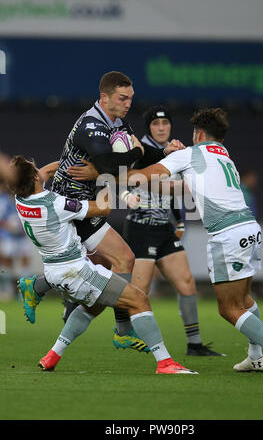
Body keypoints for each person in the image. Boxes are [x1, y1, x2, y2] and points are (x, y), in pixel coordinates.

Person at [18, 71, 183, 355]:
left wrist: (164, 151)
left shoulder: (117, 120)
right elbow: (110, 165)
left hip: (88, 202)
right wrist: (127, 155)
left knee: (108, 270)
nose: (129, 103)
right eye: (123, 98)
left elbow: (137, 154)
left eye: (131, 98)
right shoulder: (91, 125)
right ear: (104, 97)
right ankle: (122, 330)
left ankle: (39, 288)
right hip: (74, 207)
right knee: (123, 259)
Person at [124, 107, 263, 376]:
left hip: (227, 234)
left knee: (228, 308)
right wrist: (174, 157)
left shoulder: (189, 154)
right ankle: (255, 356)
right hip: (250, 228)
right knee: (245, 300)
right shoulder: (224, 156)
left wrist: (111, 175)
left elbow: (146, 175)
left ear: (199, 133)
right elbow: (178, 186)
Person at [7, 155, 197, 375]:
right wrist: (105, 176)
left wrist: (68, 162)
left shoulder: (20, 200)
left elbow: (45, 172)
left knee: (91, 307)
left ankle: (52, 356)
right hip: (78, 274)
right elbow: (104, 208)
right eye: (35, 168)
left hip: (55, 271)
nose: (40, 169)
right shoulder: (57, 204)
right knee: (138, 300)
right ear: (34, 177)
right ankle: (165, 363)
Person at [120, 105, 223, 356]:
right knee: (137, 292)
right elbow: (120, 176)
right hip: (140, 227)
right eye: (156, 124)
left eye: (165, 123)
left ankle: (194, 345)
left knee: (187, 284)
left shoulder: (175, 151)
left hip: (163, 229)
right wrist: (124, 195)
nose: (162, 128)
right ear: (149, 128)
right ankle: (125, 333)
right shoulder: (139, 149)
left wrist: (178, 221)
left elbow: (175, 193)